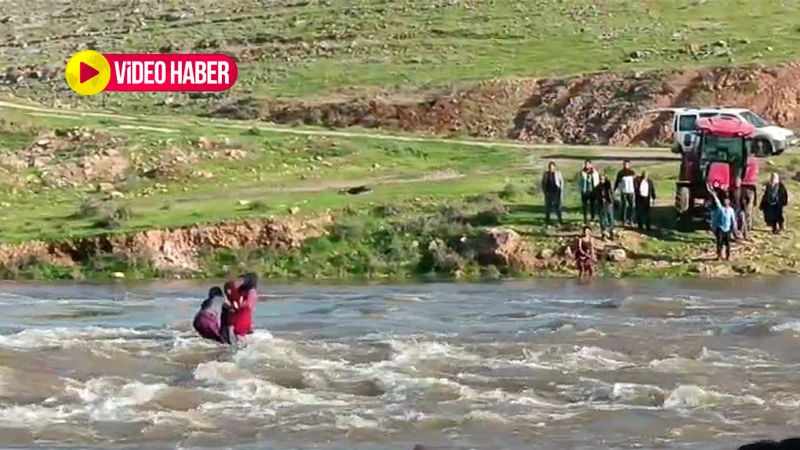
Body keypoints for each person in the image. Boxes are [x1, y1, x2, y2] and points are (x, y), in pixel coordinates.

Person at [224, 272, 259, 338]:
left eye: (241, 281)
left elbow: (248, 305)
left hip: (243, 319)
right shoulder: (242, 291)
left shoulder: (251, 292)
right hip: (238, 317)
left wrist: (234, 306)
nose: (238, 282)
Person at [709, 187, 737, 261]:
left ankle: (728, 256)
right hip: (720, 228)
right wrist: (713, 227)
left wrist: (735, 228)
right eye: (725, 200)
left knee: (728, 244)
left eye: (727, 200)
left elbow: (733, 220)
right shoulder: (720, 209)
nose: (726, 202)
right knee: (719, 243)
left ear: (729, 201)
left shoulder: (731, 210)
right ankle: (719, 256)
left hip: (727, 229)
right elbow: (717, 202)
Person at [540, 161, 564, 226]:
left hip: (556, 192)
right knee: (547, 207)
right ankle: (547, 220)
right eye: (550, 167)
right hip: (548, 192)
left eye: (552, 167)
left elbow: (561, 182)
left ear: (555, 167)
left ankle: (560, 220)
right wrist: (544, 191)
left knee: (558, 207)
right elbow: (543, 183)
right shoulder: (546, 174)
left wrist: (560, 191)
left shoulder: (558, 173)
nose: (551, 168)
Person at [614, 159, 636, 226]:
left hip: (631, 191)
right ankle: (623, 220)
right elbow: (617, 181)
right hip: (624, 191)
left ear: (629, 165)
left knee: (631, 205)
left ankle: (631, 220)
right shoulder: (620, 173)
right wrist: (614, 189)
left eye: (627, 164)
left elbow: (635, 182)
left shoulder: (632, 172)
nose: (626, 165)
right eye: (624, 164)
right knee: (624, 206)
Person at [578, 160, 600, 224]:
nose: (587, 166)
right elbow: (579, 181)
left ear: (591, 165)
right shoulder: (582, 173)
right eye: (586, 164)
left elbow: (597, 181)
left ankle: (592, 218)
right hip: (585, 191)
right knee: (584, 206)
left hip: (592, 191)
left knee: (592, 205)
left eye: (588, 164)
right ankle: (585, 218)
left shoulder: (594, 172)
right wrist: (581, 189)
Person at [596, 172, 615, 239]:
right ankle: (603, 233)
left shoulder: (608, 185)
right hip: (601, 204)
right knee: (602, 219)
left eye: (602, 178)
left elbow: (611, 191)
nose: (601, 180)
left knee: (610, 218)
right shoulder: (598, 186)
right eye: (600, 178)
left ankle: (611, 232)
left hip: (608, 203)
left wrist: (611, 201)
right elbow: (596, 195)